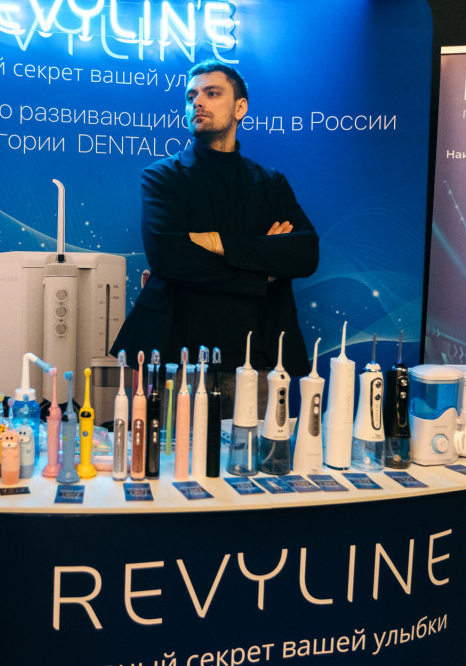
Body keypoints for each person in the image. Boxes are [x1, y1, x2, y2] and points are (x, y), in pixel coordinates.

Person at [111, 60, 318, 408]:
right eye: (191, 96)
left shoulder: (270, 183)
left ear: (240, 107)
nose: (198, 102)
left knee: (252, 445)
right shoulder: (162, 176)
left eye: (211, 93)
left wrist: (216, 242)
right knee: (170, 444)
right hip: (176, 357)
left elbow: (305, 254)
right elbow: (170, 261)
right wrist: (261, 269)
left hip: (255, 357)